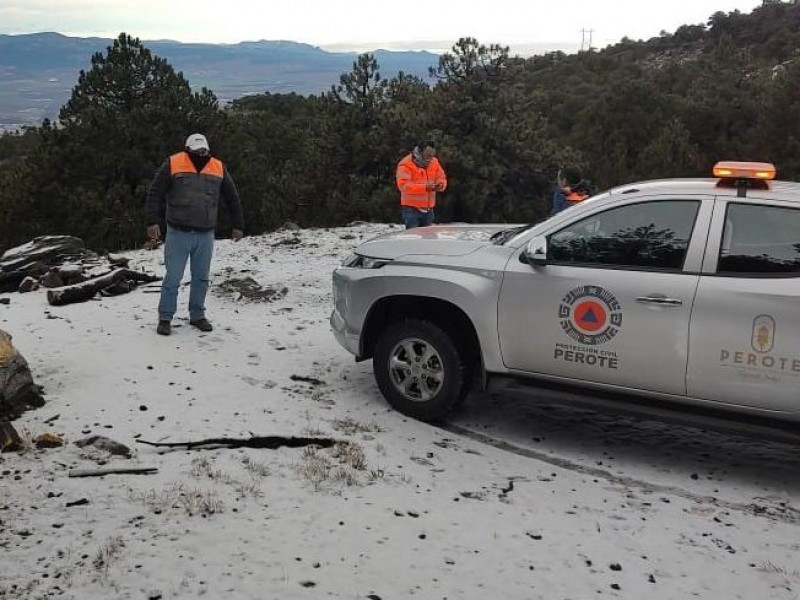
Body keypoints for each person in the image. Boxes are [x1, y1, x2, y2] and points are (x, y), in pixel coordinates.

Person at [146, 133, 244, 336]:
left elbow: (232, 197)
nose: (202, 154)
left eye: (205, 151)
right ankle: (165, 318)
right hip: (178, 232)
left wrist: (238, 225)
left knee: (201, 278)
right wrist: (151, 221)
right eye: (198, 151)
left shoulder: (218, 166)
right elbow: (155, 192)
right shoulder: (173, 163)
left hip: (205, 234)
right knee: (173, 277)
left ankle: (197, 315)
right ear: (187, 150)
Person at [396, 141, 447, 229]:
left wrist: (441, 185)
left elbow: (441, 176)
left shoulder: (434, 162)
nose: (430, 158)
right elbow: (403, 186)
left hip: (429, 210)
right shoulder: (405, 164)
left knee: (427, 239)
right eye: (428, 155)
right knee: (413, 238)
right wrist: (425, 187)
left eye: (432, 155)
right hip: (411, 209)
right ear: (420, 151)